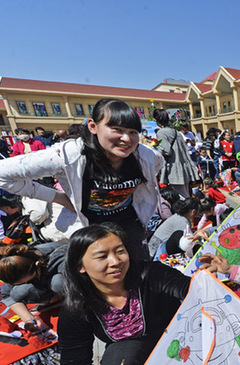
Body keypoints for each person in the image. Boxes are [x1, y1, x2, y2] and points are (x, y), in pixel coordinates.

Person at [0, 99, 163, 261]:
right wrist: (58, 197)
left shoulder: (145, 155)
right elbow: (3, 174)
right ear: (93, 126)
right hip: (90, 231)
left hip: (131, 227)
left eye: (133, 132)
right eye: (117, 129)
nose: (127, 139)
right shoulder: (69, 154)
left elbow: (157, 165)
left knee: (138, 274)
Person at [57, 223, 222, 364]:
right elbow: (74, 359)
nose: (115, 262)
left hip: (181, 342)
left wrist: (206, 281)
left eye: (120, 251)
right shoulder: (77, 306)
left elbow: (190, 290)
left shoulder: (151, 274)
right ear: (80, 266)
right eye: (102, 256)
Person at [0, 241, 67, 332]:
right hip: (45, 282)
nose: (26, 283)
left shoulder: (58, 257)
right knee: (18, 293)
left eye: (27, 281)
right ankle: (55, 298)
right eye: (21, 283)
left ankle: (66, 296)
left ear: (37, 265)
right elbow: (7, 295)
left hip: (68, 278)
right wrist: (28, 319)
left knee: (58, 283)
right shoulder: (13, 267)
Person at [154, 109, 200, 198]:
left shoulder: (161, 132)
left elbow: (166, 150)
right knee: (186, 193)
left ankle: (191, 210)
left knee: (182, 197)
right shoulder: (176, 132)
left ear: (156, 120)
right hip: (184, 166)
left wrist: (155, 147)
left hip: (174, 168)